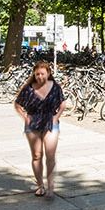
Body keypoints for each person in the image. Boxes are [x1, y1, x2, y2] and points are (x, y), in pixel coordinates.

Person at [14, 61, 65, 197]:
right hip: (33, 123)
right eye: (37, 74)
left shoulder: (55, 87)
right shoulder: (28, 88)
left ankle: (50, 184)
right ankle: (40, 185)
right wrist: (25, 117)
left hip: (50, 122)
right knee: (37, 155)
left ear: (48, 73)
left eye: (42, 74)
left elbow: (63, 103)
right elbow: (17, 104)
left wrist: (56, 117)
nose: (40, 77)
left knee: (50, 155)